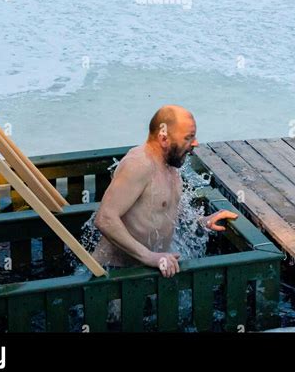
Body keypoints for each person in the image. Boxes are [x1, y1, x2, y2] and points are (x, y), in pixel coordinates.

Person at [92, 105, 238, 277]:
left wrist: (202, 221)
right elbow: (105, 218)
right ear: (164, 139)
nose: (196, 143)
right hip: (113, 275)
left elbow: (167, 212)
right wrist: (150, 257)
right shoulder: (139, 165)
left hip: (147, 271)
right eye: (188, 137)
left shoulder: (170, 166)